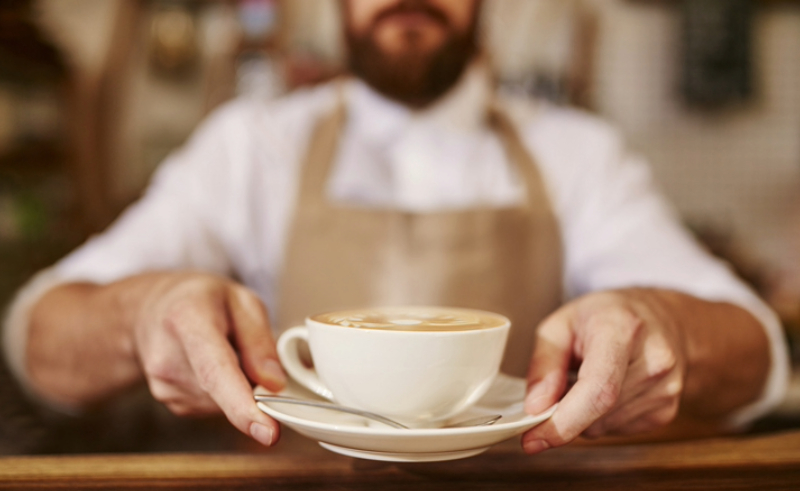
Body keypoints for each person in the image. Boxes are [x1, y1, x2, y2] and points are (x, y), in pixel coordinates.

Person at [2, 0, 789, 454]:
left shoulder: (577, 152)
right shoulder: (250, 145)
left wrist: (666, 329)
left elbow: (757, 353)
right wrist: (142, 312)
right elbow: (36, 335)